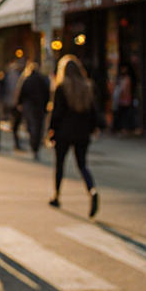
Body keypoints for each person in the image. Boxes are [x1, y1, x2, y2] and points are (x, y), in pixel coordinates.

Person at [47, 54, 104, 218]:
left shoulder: (62, 87)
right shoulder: (87, 87)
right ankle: (91, 190)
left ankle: (57, 196)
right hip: (82, 133)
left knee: (60, 165)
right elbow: (93, 112)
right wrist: (93, 128)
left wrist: (52, 130)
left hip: (64, 133)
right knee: (82, 165)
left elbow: (56, 113)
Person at [16, 60, 51, 161]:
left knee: (31, 125)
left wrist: (20, 103)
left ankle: (33, 143)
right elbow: (47, 93)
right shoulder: (42, 79)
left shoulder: (27, 79)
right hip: (39, 106)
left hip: (29, 106)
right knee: (38, 126)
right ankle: (36, 144)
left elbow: (22, 92)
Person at [2, 59, 24, 151]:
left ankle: (17, 141)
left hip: (13, 101)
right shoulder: (17, 76)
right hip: (15, 102)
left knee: (15, 122)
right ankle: (17, 142)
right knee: (16, 122)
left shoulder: (9, 76)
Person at [112, 62, 136, 135]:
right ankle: (123, 127)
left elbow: (125, 89)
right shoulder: (121, 78)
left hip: (125, 99)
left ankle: (125, 128)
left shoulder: (127, 78)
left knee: (125, 114)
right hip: (122, 99)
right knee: (123, 114)